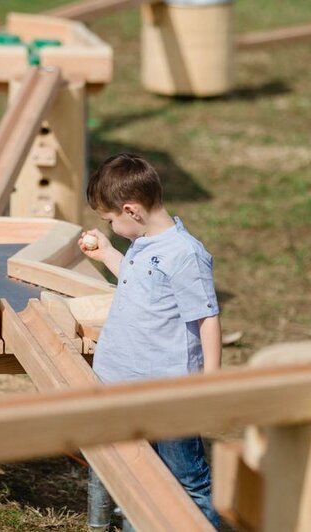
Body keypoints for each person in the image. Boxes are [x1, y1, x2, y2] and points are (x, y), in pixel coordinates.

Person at [79, 153, 223, 528]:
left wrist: (211, 379)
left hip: (166, 391)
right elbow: (136, 279)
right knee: (139, 475)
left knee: (186, 479)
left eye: (111, 221)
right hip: (125, 383)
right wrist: (107, 252)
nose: (111, 227)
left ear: (132, 210)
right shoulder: (145, 243)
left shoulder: (184, 254)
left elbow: (206, 317)